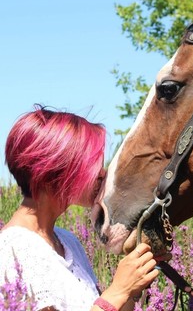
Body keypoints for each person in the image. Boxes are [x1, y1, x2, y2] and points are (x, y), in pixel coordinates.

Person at [0, 105, 159, 311]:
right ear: (52, 172)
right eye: (90, 165)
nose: (102, 174)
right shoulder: (12, 251)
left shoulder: (67, 242)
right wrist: (117, 291)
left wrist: (132, 287)